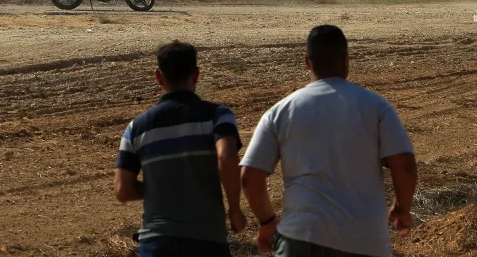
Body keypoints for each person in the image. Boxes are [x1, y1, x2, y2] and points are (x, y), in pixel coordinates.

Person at [240, 25, 417, 257]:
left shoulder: (280, 111)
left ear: (306, 62)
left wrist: (267, 221)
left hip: (300, 239)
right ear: (345, 61)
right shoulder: (376, 107)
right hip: (364, 241)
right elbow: (404, 165)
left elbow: (249, 177)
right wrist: (402, 208)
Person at [115, 41, 246, 257]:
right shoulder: (218, 116)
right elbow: (226, 158)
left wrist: (161, 186)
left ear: (158, 77)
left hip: (155, 244)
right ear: (196, 74)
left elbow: (122, 190)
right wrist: (234, 209)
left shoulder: (136, 128)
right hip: (206, 241)